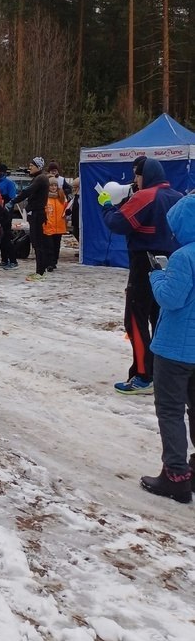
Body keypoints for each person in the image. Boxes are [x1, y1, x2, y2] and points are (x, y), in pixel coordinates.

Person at [99, 156, 182, 393]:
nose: (135, 180)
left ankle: (143, 374)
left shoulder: (146, 196)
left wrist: (106, 206)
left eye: (137, 175)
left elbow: (118, 223)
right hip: (171, 263)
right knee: (159, 318)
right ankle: (159, 372)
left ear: (146, 175)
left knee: (135, 318)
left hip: (144, 262)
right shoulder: (176, 197)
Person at [140, 194, 195, 504]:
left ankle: (175, 475)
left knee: (171, 412)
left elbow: (170, 299)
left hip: (175, 349)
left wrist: (157, 275)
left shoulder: (183, 257)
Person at [9, 157, 50, 281]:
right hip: (34, 213)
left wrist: (13, 201)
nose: (29, 168)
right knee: (36, 243)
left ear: (38, 167)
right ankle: (40, 271)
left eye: (32, 166)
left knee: (38, 244)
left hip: (38, 214)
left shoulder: (41, 179)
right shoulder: (38, 178)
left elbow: (27, 191)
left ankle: (41, 273)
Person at [43, 176, 67, 272]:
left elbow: (66, 208)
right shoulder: (45, 197)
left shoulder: (61, 197)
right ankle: (49, 263)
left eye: (55, 185)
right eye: (51, 185)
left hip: (59, 225)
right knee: (49, 246)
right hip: (49, 225)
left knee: (56, 246)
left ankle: (54, 262)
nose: (53, 187)